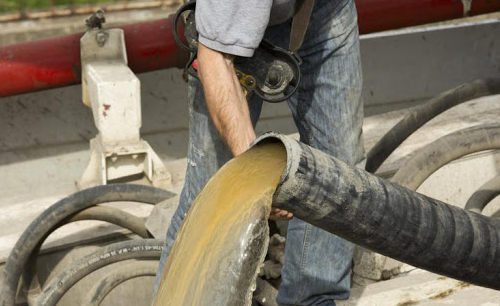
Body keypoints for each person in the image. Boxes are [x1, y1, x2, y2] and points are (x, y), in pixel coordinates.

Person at [154, 0, 366, 304]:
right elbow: (215, 58)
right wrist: (255, 176)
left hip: (322, 8)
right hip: (226, 35)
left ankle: (313, 298)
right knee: (212, 192)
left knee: (339, 167)